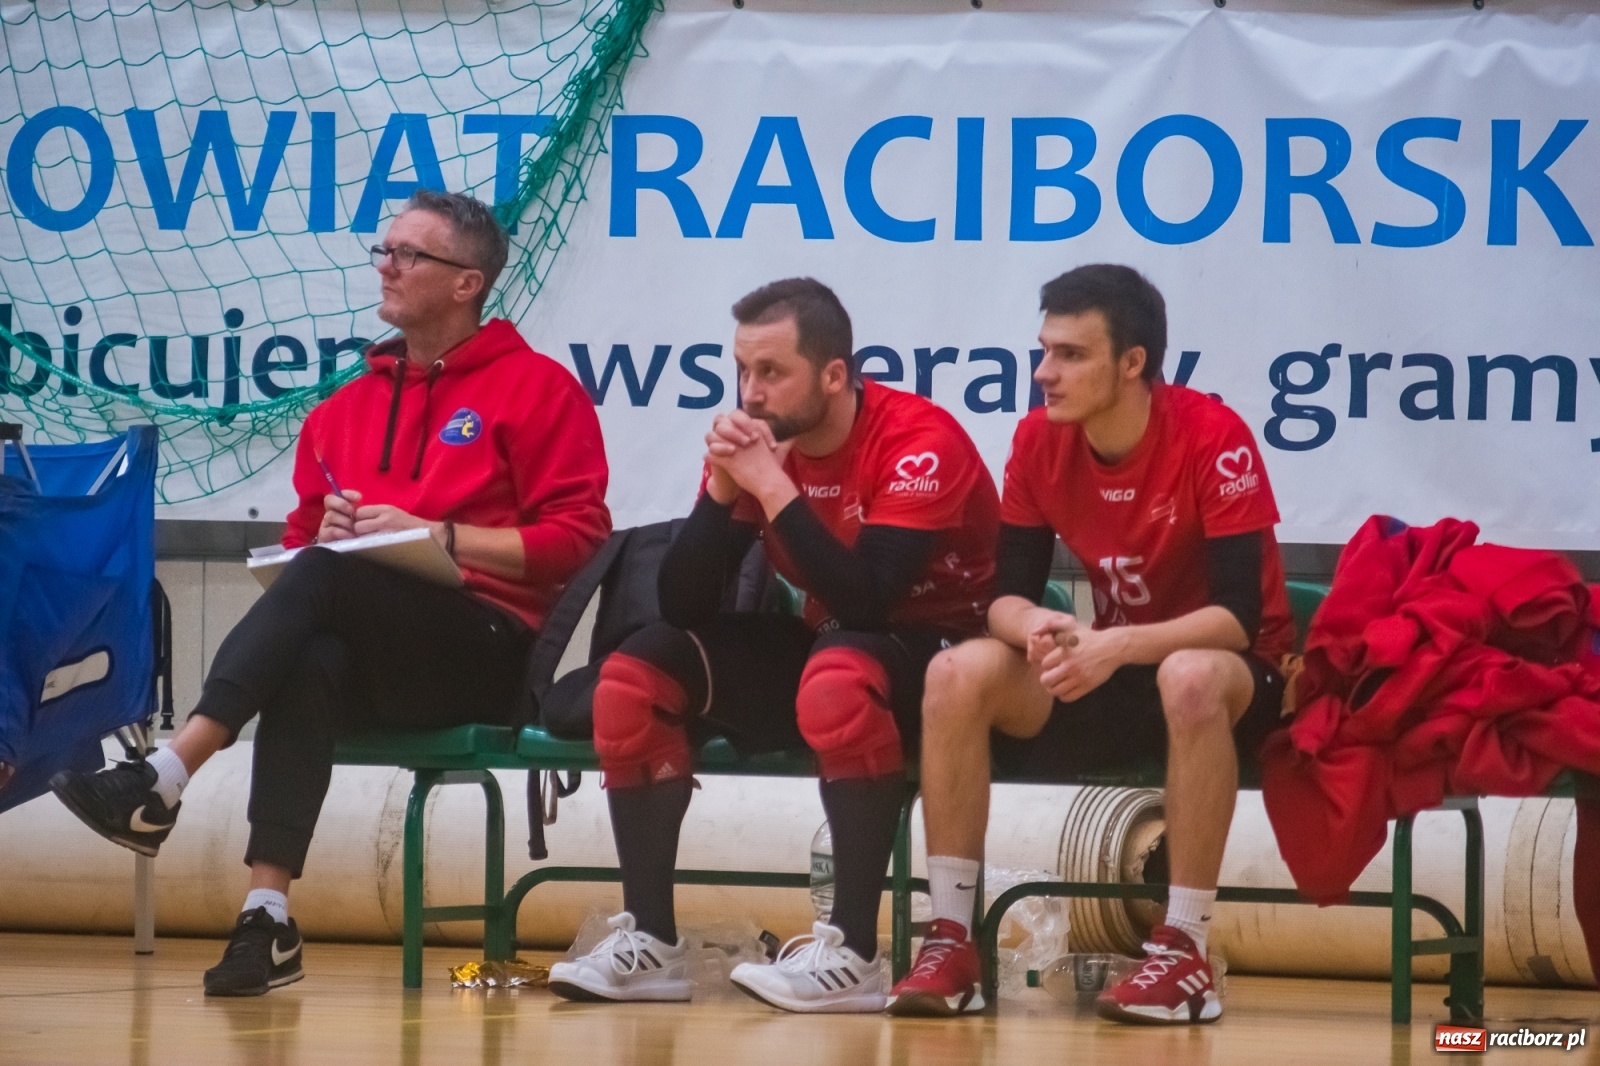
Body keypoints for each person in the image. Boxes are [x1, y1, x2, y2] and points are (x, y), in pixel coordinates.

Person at [50, 190, 611, 997]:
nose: (387, 266)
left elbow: (580, 541)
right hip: (372, 651)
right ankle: (267, 914)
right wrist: (326, 541)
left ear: (468, 283)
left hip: (484, 650)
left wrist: (438, 535)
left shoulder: (537, 389)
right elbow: (301, 541)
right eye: (383, 249)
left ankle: (168, 774)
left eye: (410, 254)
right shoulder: (344, 408)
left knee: (324, 579)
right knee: (311, 649)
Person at [546, 277, 998, 1013]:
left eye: (771, 373)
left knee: (838, 674)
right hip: (834, 644)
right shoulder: (761, 450)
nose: (750, 394)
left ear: (834, 375)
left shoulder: (919, 439)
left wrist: (771, 487)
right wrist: (725, 490)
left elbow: (869, 602)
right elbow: (683, 605)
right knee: (636, 674)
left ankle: (852, 952)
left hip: (946, 657)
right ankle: (651, 945)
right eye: (742, 371)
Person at [887, 264, 1292, 1024]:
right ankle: (950, 942)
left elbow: (1239, 617)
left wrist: (1116, 644)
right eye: (1043, 350)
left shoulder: (1214, 435)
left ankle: (1183, 951)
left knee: (1190, 676)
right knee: (954, 674)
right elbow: (1004, 595)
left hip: (1233, 676)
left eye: (1070, 354)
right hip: (1114, 663)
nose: (1045, 372)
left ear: (1133, 363)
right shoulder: (1040, 440)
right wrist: (1033, 627)